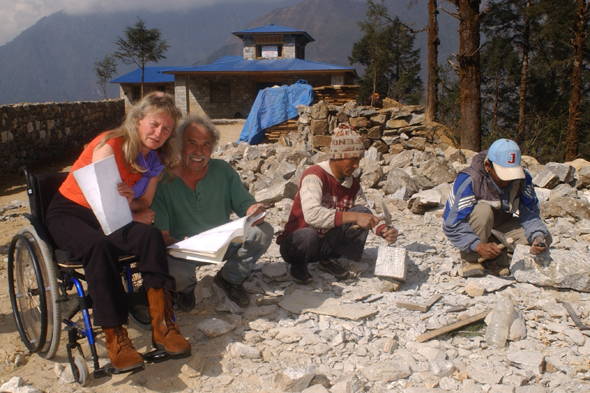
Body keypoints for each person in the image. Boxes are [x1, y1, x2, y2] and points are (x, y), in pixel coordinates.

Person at [46, 92, 191, 374]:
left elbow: (144, 203)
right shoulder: (110, 144)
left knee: (150, 236)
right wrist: (129, 207)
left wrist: (130, 202)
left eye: (166, 129)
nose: (159, 133)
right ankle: (116, 337)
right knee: (98, 246)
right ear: (137, 120)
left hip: (112, 215)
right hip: (72, 211)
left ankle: (163, 325)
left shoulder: (155, 160)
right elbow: (101, 198)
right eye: (154, 124)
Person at [152, 115, 274, 309]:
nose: (199, 151)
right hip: (184, 250)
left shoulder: (222, 171)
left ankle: (230, 279)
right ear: (179, 145)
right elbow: (163, 235)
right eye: (191, 143)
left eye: (206, 145)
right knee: (171, 270)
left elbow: (245, 204)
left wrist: (253, 210)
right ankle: (185, 290)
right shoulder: (163, 181)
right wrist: (172, 241)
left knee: (262, 231)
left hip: (222, 243)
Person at [278, 124, 399, 284]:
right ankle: (298, 265)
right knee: (308, 235)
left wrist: (382, 229)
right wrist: (354, 216)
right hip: (297, 244)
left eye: (359, 160)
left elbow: (364, 212)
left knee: (361, 211)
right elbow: (312, 215)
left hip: (325, 242)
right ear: (338, 156)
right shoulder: (314, 175)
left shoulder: (352, 183)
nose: (356, 165)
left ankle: (327, 260)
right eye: (353, 159)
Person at [442, 138, 552, 277]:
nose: (508, 181)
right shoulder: (470, 179)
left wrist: (538, 237)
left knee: (544, 237)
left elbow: (530, 214)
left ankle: (495, 259)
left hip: (501, 225)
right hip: (477, 226)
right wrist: (476, 245)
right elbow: (451, 223)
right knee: (483, 211)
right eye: (503, 175)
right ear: (488, 166)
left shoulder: (522, 180)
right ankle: (471, 259)